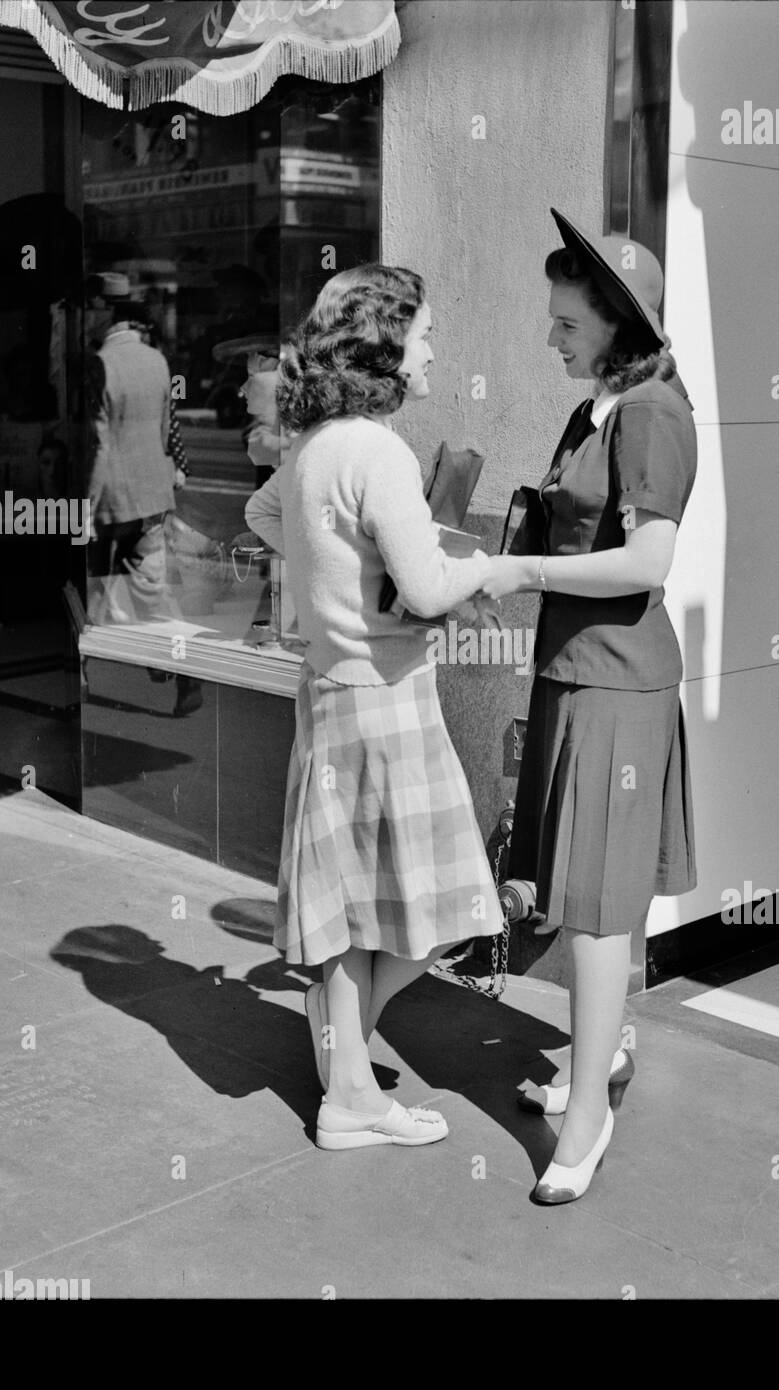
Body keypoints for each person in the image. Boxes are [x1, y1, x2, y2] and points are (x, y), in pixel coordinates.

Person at [244, 264, 502, 1151]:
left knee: (354, 909)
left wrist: (340, 578)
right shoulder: (381, 451)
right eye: (425, 333)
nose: (433, 350)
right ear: (386, 345)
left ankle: (346, 1074)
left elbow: (263, 513)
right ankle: (343, 1057)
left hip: (329, 695)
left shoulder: (312, 446)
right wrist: (490, 571)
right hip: (389, 701)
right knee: (443, 908)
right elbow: (430, 588)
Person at [478, 209, 698, 1205]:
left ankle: (586, 1119)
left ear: (616, 323)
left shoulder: (652, 413)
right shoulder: (599, 409)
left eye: (565, 323)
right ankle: (596, 1054)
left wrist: (518, 566)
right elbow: (571, 521)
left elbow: (648, 560)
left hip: (615, 680)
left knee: (601, 911)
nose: (551, 338)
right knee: (583, 895)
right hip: (575, 674)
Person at [87, 302, 202, 716]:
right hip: (152, 496)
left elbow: (99, 445)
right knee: (151, 590)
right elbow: (165, 431)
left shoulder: (99, 364)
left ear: (108, 322)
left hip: (109, 503)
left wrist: (85, 505)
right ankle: (185, 671)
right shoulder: (157, 360)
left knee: (92, 587)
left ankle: (79, 673)